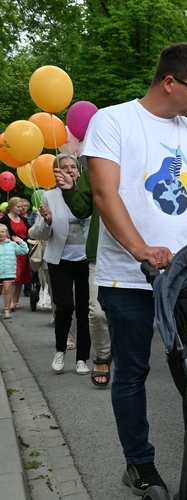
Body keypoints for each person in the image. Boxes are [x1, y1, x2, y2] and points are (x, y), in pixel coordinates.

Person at [82, 43, 187, 495]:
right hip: (127, 277)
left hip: (185, 277)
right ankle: (140, 465)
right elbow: (104, 195)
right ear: (170, 82)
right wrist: (141, 249)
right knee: (131, 373)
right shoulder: (112, 121)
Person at [29, 153, 92, 376]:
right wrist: (46, 220)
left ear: (79, 170)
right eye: (63, 167)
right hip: (60, 260)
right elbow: (37, 233)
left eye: (72, 167)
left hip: (86, 259)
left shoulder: (88, 191)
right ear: (57, 172)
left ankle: (83, 357)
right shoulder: (50, 196)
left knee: (86, 310)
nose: (69, 171)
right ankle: (60, 350)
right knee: (65, 307)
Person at [55, 161, 112, 388]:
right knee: (97, 313)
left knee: (134, 316)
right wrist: (70, 190)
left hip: (140, 250)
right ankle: (102, 355)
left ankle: (128, 362)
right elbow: (82, 208)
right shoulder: (96, 167)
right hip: (100, 251)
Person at [0, 197, 32, 310]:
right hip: (11, 251)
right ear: (11, 206)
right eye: (18, 206)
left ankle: (16, 301)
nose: (21, 208)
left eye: (22, 206)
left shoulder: (22, 219)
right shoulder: (5, 219)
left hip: (22, 250)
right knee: (13, 277)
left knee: (21, 277)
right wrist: (26, 240)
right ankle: (10, 302)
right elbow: (11, 234)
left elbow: (30, 230)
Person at [0, 223, 28, 319]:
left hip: (9, 271)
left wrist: (21, 241)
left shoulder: (12, 244)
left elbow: (24, 251)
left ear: (6, 233)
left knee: (7, 290)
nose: (0, 234)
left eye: (2, 232)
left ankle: (7, 309)